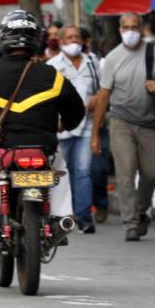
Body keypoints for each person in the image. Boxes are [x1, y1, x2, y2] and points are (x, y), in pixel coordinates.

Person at [0, 10, 85, 248]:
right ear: (36, 40)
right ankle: (60, 218)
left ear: (3, 39)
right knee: (59, 167)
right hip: (44, 148)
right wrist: (64, 125)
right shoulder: (51, 76)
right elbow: (76, 111)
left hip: (3, 149)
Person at [91, 12, 155, 241]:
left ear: (141, 29)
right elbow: (103, 96)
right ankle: (130, 222)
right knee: (126, 170)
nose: (130, 31)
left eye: (134, 27)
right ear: (120, 30)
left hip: (150, 122)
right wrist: (95, 133)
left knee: (150, 173)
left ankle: (141, 211)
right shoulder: (112, 58)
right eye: (126, 27)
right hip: (121, 121)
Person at [48, 26, 101, 234]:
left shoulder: (92, 63)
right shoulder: (52, 66)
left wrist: (97, 101)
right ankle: (61, 215)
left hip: (86, 126)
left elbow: (102, 91)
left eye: (77, 37)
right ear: (61, 42)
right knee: (61, 173)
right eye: (69, 38)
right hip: (62, 127)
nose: (74, 41)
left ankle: (84, 217)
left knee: (83, 171)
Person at [81, 27, 110, 224]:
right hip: (71, 127)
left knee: (98, 169)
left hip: (96, 123)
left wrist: (97, 98)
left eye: (78, 38)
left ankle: (101, 204)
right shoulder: (56, 64)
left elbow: (107, 89)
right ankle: (80, 210)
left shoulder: (97, 63)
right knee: (79, 170)